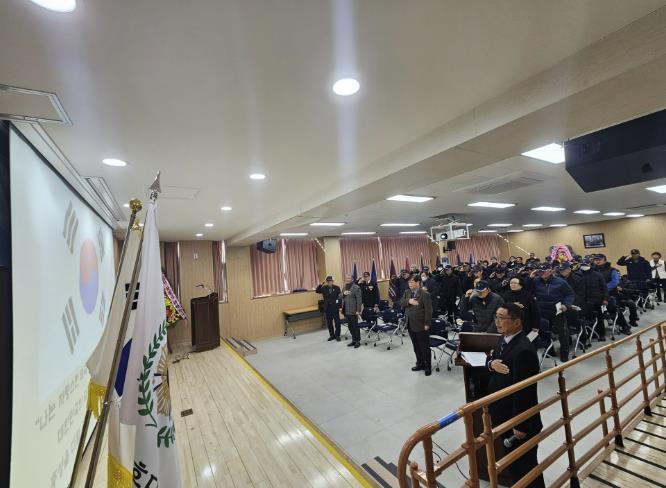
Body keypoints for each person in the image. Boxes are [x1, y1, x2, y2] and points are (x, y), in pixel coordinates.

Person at [486, 303, 545, 488]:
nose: (497, 322)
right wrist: (491, 364)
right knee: (514, 467)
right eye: (496, 317)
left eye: (502, 318)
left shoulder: (523, 350)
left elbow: (525, 391)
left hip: (518, 422)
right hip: (503, 415)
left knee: (526, 468)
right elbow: (492, 357)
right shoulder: (504, 339)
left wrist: (520, 424)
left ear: (517, 322)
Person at [532, 265, 574, 362]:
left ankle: (564, 353)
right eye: (540, 271)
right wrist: (530, 278)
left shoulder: (560, 282)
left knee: (562, 333)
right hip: (542, 311)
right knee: (545, 333)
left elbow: (570, 294)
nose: (542, 273)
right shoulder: (536, 281)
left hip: (557, 311)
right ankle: (550, 350)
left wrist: (566, 304)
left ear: (550, 271)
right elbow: (528, 290)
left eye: (544, 271)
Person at [594, 254, 637, 331]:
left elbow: (614, 282)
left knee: (614, 309)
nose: (597, 261)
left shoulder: (612, 270)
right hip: (597, 295)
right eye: (596, 260)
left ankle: (624, 326)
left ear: (605, 260)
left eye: (599, 259)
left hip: (611, 294)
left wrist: (603, 290)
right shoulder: (593, 270)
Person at [400, 275, 433, 376]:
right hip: (410, 323)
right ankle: (420, 364)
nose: (409, 284)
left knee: (424, 347)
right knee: (416, 346)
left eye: (412, 282)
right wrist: (408, 301)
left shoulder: (424, 294)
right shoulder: (407, 292)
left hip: (421, 324)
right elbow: (401, 302)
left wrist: (427, 323)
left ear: (418, 282)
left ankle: (428, 366)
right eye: (409, 282)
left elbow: (429, 310)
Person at [578, 258, 609, 340]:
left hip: (598, 301)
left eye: (585, 264)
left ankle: (601, 334)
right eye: (582, 265)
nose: (584, 266)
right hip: (585, 302)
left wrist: (605, 299)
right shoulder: (579, 275)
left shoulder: (598, 275)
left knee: (599, 318)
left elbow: (604, 288)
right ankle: (592, 334)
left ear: (590, 264)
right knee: (588, 318)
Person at [316, 276, 342, 341]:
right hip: (327, 308)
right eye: (328, 281)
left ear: (333, 281)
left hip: (335, 307)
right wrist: (321, 284)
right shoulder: (324, 288)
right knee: (329, 323)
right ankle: (332, 335)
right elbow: (317, 291)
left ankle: (337, 335)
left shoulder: (337, 288)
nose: (329, 282)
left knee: (337, 322)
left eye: (330, 281)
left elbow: (339, 298)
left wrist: (340, 307)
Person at [340, 275, 363, 348]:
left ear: (352, 279)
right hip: (346, 310)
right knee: (350, 327)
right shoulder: (344, 287)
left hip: (353, 310)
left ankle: (358, 341)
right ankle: (353, 340)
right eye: (346, 278)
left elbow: (359, 300)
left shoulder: (356, 287)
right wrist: (343, 294)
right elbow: (339, 296)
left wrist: (358, 310)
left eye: (349, 278)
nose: (347, 279)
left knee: (355, 326)